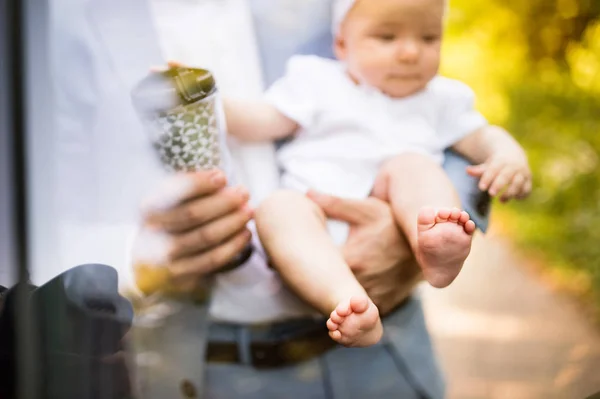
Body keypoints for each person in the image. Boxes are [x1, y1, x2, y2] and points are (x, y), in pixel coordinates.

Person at [50, 0, 491, 397]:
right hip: (203, 369)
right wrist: (136, 257)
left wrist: (412, 233)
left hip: (385, 359)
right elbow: (37, 214)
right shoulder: (53, 19)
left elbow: (432, 117)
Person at [223, 0, 532, 348]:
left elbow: (480, 135)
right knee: (277, 207)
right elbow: (263, 119)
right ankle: (347, 302)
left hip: (395, 213)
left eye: (429, 38)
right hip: (313, 221)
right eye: (387, 37)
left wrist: (507, 154)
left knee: (411, 165)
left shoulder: (440, 98)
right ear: (342, 44)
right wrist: (210, 104)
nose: (411, 53)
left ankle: (434, 241)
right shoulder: (317, 80)